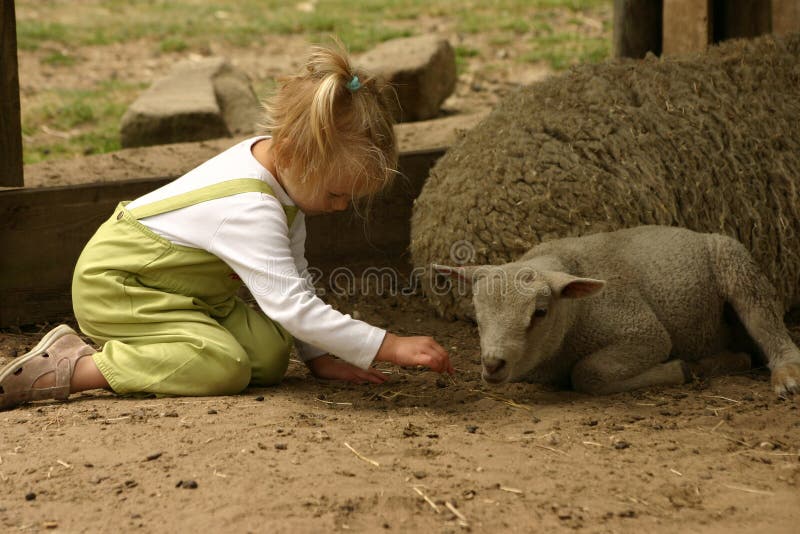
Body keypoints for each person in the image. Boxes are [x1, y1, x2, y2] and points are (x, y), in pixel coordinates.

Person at [0, 42, 453, 410]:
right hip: (121, 286)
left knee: (270, 356)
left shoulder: (282, 174)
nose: (339, 207)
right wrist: (387, 344)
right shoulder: (249, 207)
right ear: (295, 153)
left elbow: (292, 286)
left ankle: (174, 344)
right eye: (337, 194)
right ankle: (70, 368)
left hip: (187, 295)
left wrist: (318, 357)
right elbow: (293, 307)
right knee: (226, 368)